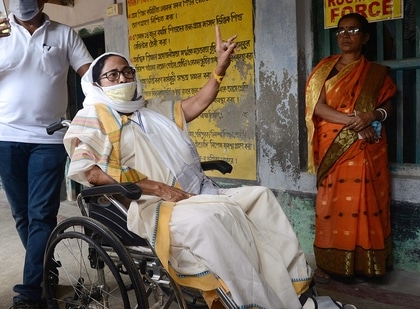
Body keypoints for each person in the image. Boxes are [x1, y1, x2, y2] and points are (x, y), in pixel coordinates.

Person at [62, 25, 340, 309]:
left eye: (127, 71)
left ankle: (295, 293)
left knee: (260, 198)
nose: (122, 78)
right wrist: (157, 187)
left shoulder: (151, 111)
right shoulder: (92, 116)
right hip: (148, 204)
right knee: (213, 218)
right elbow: (91, 172)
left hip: (191, 193)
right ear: (97, 84)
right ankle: (255, 301)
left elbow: (198, 102)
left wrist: (221, 67)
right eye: (112, 75)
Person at [0, 0, 93, 308]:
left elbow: (89, 75)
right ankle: (46, 268)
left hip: (49, 138)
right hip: (4, 138)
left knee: (42, 215)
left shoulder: (64, 34)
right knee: (22, 214)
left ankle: (29, 293)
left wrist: (104, 108)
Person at [305, 13, 397, 283]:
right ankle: (332, 262)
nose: (345, 35)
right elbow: (317, 107)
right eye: (340, 31)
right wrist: (356, 122)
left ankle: (367, 265)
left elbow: (388, 105)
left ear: (365, 37)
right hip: (333, 144)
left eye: (353, 30)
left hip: (367, 146)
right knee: (332, 202)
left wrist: (374, 116)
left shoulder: (376, 73)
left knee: (367, 200)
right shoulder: (324, 69)